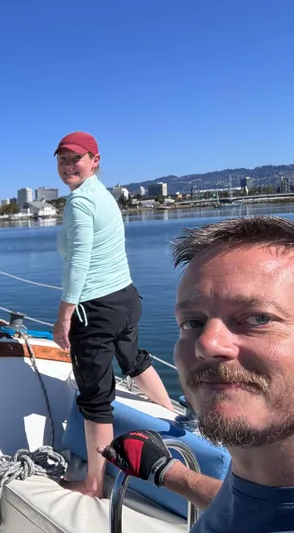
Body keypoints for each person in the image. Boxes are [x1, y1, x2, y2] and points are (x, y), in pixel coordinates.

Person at [100, 216, 294, 532]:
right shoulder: (265, 479)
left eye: (258, 318)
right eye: (192, 323)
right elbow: (252, 506)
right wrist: (167, 472)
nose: (207, 343)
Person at [51, 131, 175, 498]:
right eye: (62, 159)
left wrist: (64, 313)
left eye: (76, 158)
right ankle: (171, 412)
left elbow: (80, 261)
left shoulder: (79, 204)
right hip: (125, 298)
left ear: (95, 160)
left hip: (96, 307)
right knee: (133, 359)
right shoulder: (103, 196)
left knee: (95, 397)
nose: (68, 165)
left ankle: (93, 483)